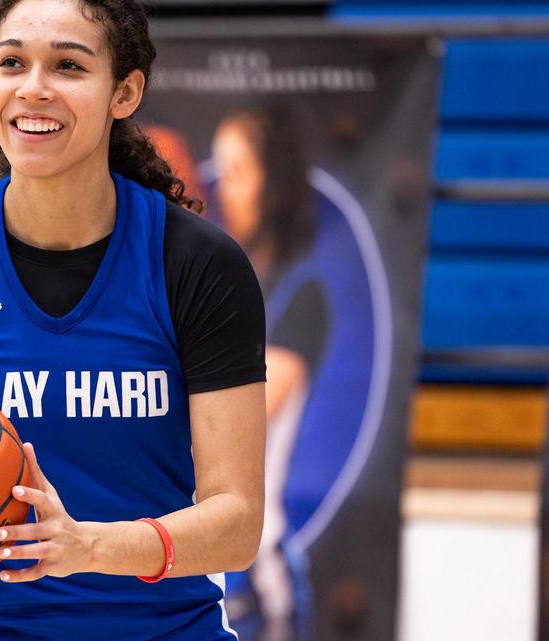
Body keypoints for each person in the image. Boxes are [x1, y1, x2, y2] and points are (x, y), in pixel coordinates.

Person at [0, 1, 268, 639]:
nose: (32, 88)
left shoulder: (197, 265)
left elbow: (237, 526)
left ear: (125, 91)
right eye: (11, 63)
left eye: (68, 65)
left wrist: (87, 547)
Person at [212, 107, 328, 641]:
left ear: (272, 182)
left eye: (238, 172)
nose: (225, 191)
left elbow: (242, 420)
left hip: (257, 561)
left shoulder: (300, 294)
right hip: (198, 547)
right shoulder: (223, 282)